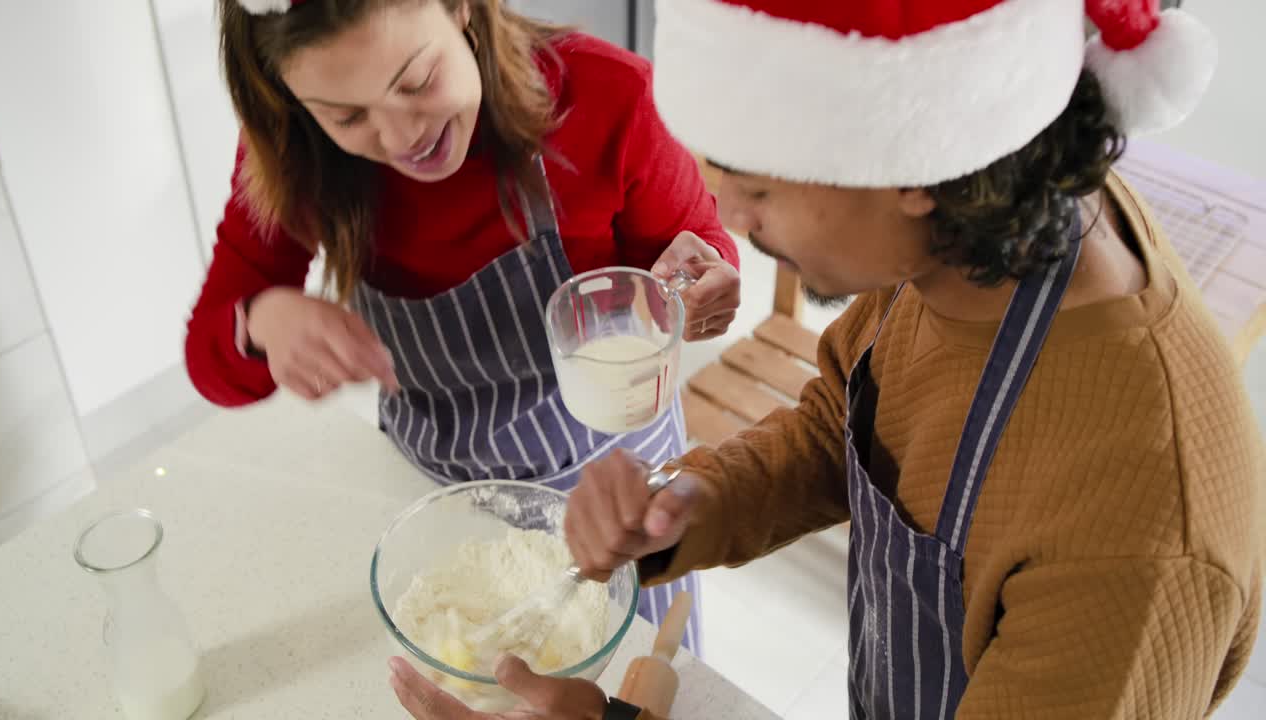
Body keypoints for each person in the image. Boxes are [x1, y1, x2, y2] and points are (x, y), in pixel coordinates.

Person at [387, 0, 1265, 718]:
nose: (728, 217)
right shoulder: (965, 243)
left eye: (760, 186)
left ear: (918, 160)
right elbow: (850, 426)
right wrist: (690, 502)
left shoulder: (1135, 532)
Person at [185, 0, 743, 655]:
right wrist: (259, 321)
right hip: (442, 505)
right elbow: (209, 360)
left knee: (641, 685)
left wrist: (706, 279)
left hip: (618, 490)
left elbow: (696, 247)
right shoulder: (296, 154)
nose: (400, 139)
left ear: (459, 9)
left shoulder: (607, 97)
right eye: (348, 115)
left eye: (416, 82)